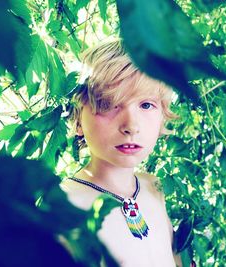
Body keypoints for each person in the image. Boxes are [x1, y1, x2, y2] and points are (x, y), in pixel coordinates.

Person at [61, 38, 180, 267]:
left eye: (146, 105)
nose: (131, 125)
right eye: (109, 104)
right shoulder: (63, 208)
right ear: (78, 119)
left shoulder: (154, 187)